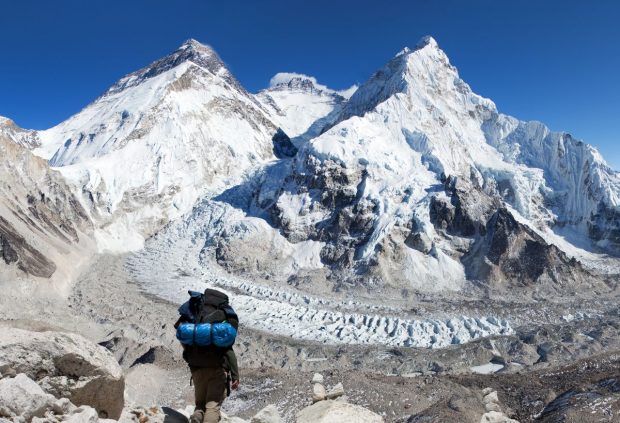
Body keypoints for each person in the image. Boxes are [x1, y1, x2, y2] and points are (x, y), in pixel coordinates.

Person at [175, 288, 240, 423]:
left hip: (197, 369)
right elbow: (228, 350)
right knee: (212, 407)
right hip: (217, 370)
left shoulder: (196, 313)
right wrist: (235, 375)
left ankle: (197, 417)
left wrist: (190, 358)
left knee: (200, 404)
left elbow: (184, 338)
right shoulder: (221, 316)